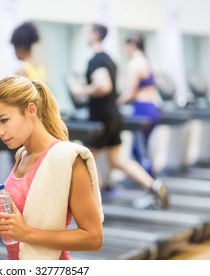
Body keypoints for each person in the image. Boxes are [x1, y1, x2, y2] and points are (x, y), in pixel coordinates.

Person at [0, 75, 104, 260]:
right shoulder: (21, 155)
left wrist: (26, 233)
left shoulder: (67, 159)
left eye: (4, 120)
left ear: (31, 110)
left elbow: (94, 238)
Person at [67, 24, 168, 209]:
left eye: (88, 33)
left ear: (95, 36)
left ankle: (89, 206)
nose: (86, 36)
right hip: (114, 117)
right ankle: (154, 185)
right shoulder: (110, 60)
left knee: (84, 162)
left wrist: (81, 89)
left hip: (100, 120)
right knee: (117, 161)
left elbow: (104, 86)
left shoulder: (96, 60)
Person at [117, 33, 161, 178]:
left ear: (132, 46)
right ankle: (150, 180)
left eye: (126, 48)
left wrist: (117, 102)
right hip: (153, 108)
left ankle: (151, 183)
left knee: (138, 150)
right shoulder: (147, 61)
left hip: (142, 109)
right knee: (143, 148)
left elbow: (131, 92)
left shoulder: (134, 63)